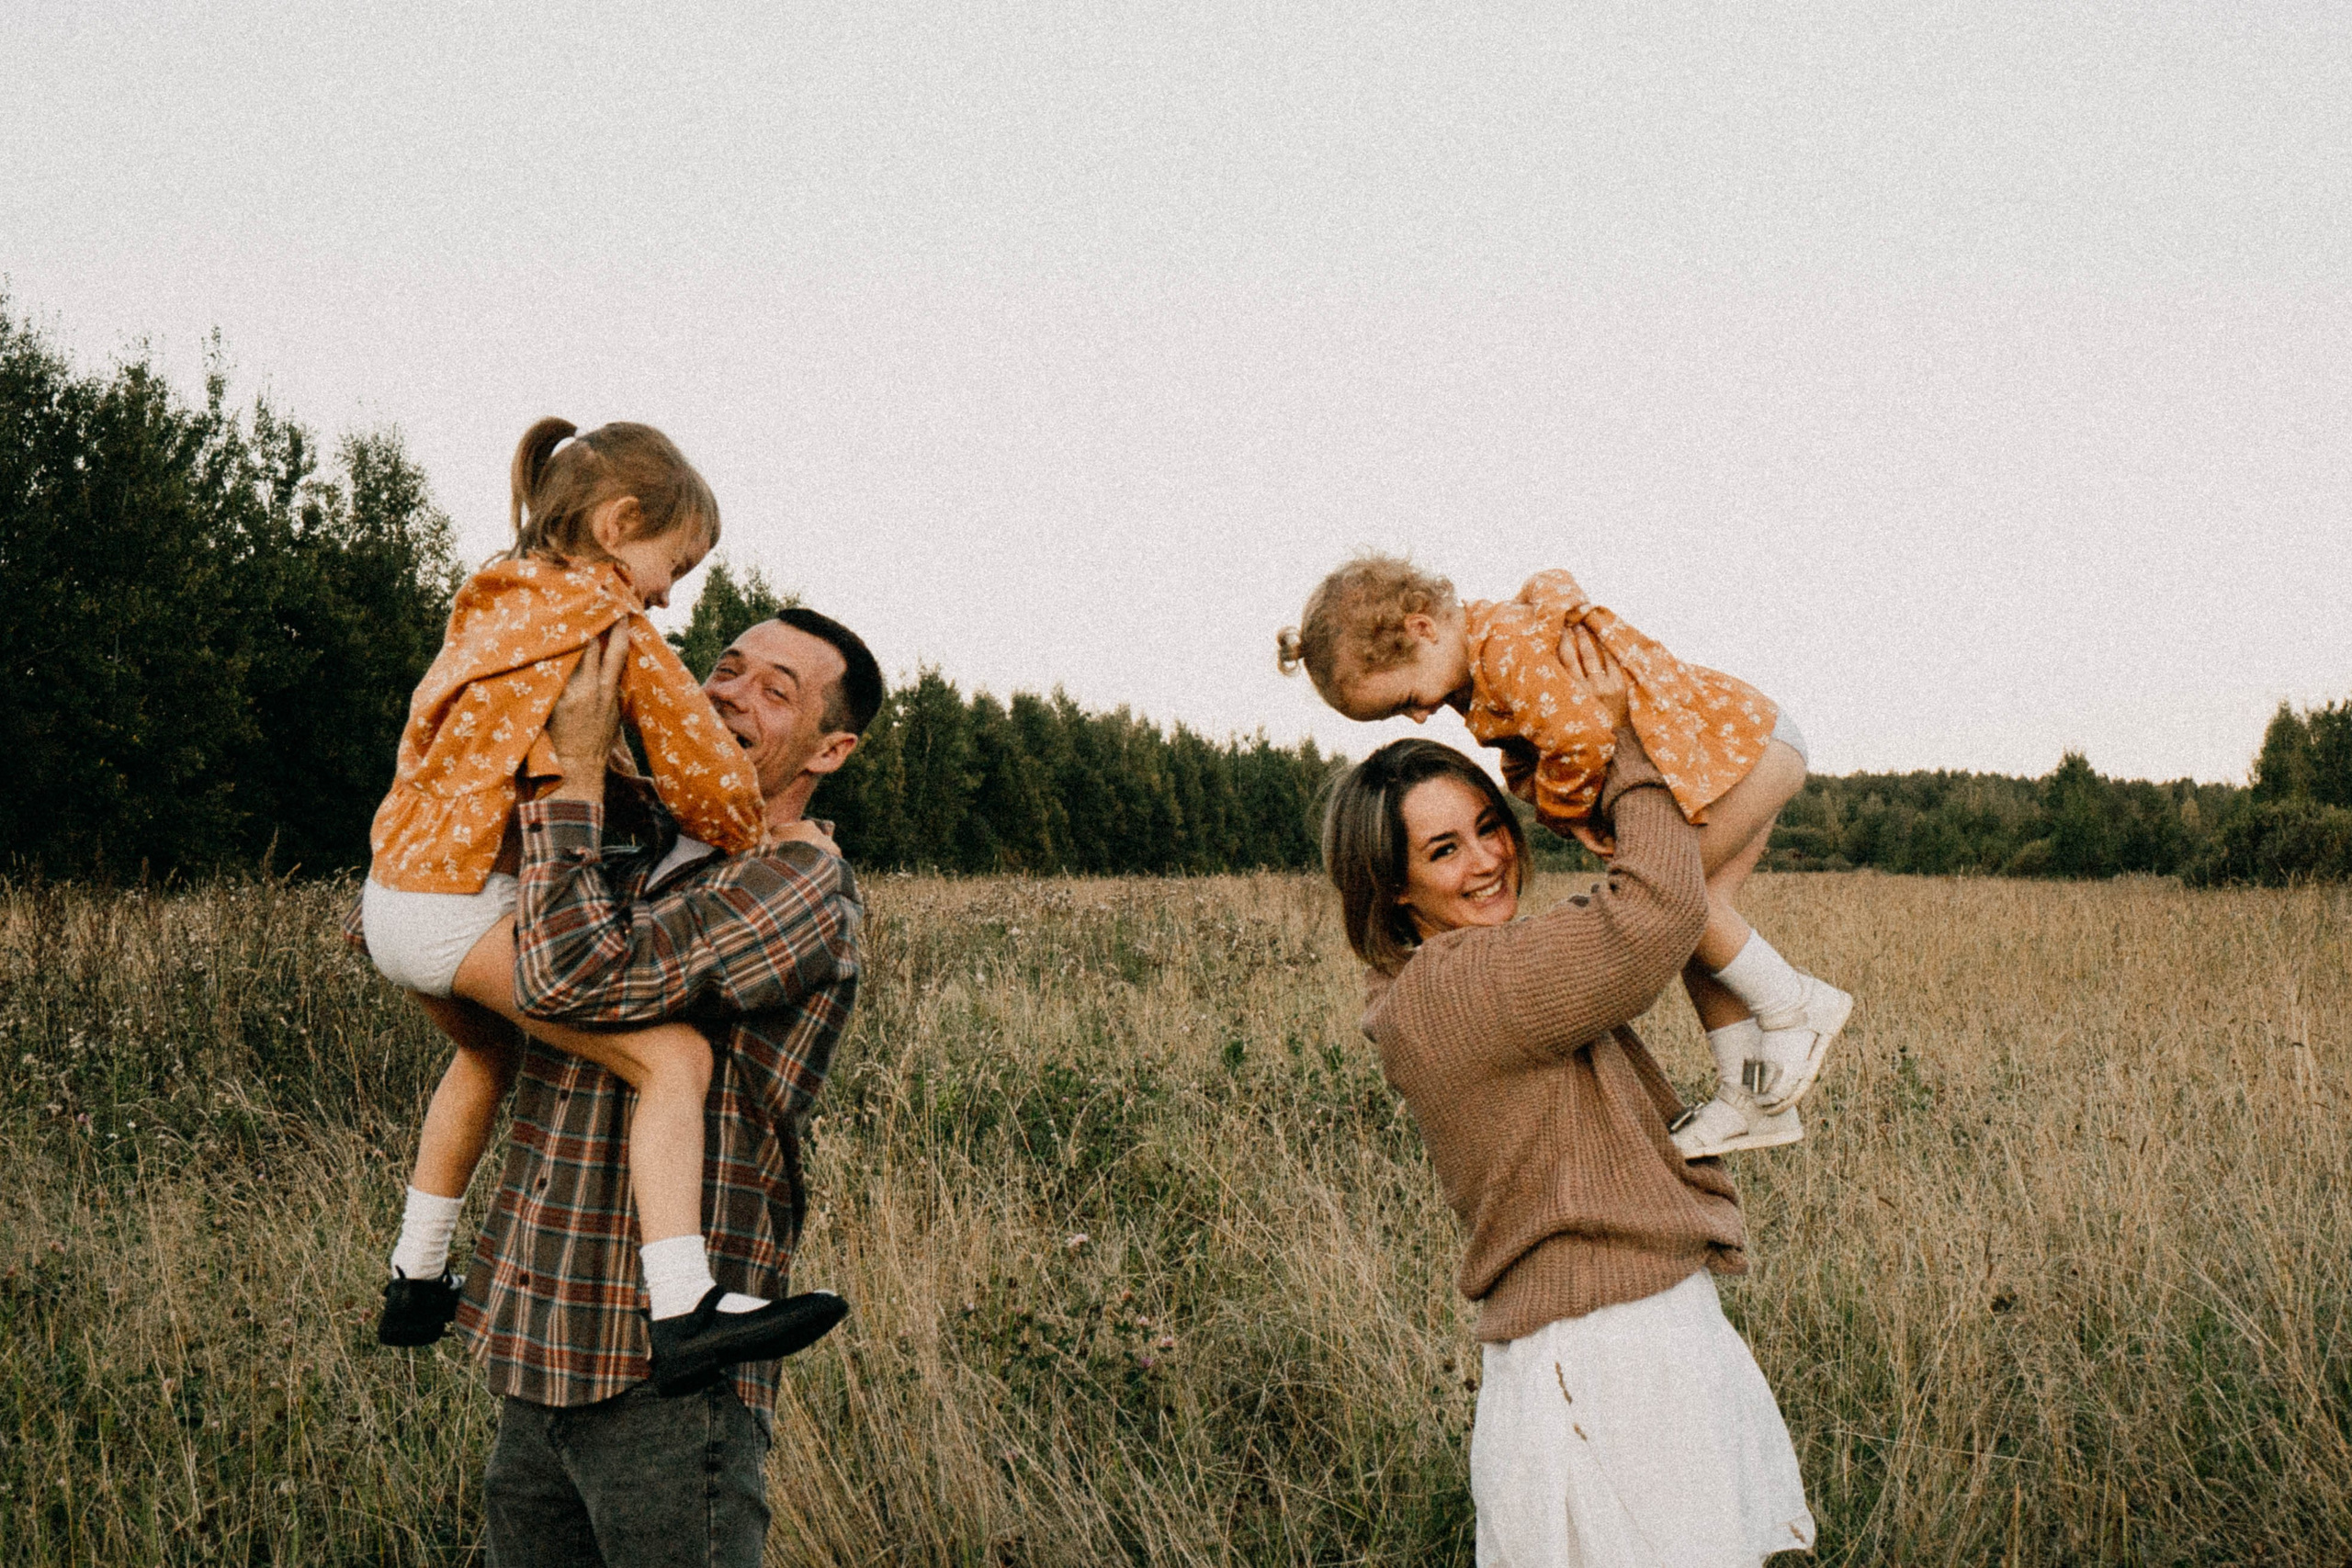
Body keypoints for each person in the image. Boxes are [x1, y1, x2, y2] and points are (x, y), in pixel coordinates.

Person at [1322, 628, 1814, 1565]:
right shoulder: (1464, 987)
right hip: (1602, 1360)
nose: (1487, 859)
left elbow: (1673, 898)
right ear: (1391, 890)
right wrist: (1625, 742)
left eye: (1489, 826)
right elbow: (1658, 912)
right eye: (1443, 850)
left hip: (1636, 1337)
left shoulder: (1467, 974)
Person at [363, 417, 819, 1386]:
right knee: (674, 1059)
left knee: (486, 1055)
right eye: (675, 563)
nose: (667, 592)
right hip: (457, 909)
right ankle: (685, 1298)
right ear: (618, 526)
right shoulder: (608, 624)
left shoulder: (488, 597)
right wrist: (759, 829)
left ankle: (416, 1274)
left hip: (392, 893)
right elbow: (705, 774)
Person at [453, 606, 881, 1567]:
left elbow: (570, 979)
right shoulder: (637, 843)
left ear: (831, 749)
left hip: (663, 1385)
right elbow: (427, 924)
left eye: (778, 692)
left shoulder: (800, 884)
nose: (731, 693)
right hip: (538, 1346)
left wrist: (569, 775)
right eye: (724, 670)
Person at [1281, 555, 1849, 1158]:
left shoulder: (1503, 655)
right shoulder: (1491, 661)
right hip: (1747, 741)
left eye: (1407, 699)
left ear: (1422, 628)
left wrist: (1561, 811)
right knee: (1698, 919)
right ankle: (1752, 1098)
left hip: (1742, 747)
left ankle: (1796, 1007)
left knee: (1678, 899)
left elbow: (1582, 737)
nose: (1421, 715)